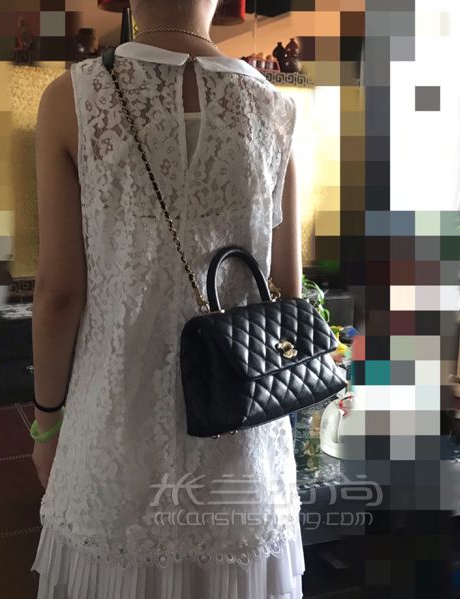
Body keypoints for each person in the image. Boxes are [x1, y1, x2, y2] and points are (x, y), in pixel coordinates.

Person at [29, 0, 304, 596]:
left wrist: (46, 426)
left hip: (114, 432)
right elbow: (288, 287)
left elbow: (57, 295)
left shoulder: (72, 97)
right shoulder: (276, 107)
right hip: (241, 433)